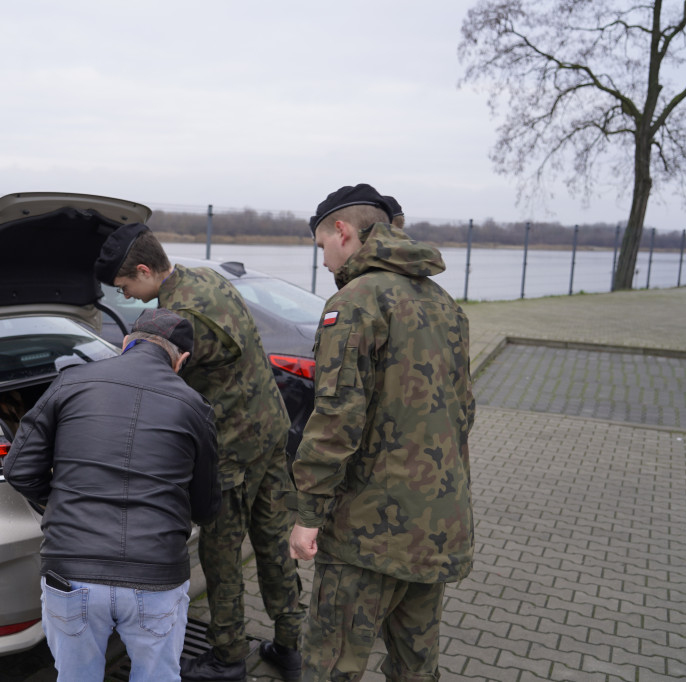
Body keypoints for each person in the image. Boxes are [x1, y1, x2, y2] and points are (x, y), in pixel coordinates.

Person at [95, 225, 305, 682]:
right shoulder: (208, 278)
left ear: (146, 270)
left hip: (232, 450)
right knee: (272, 542)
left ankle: (228, 656)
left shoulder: (180, 317)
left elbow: (159, 385)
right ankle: (291, 644)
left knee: (221, 552)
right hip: (270, 429)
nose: (127, 296)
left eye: (125, 286)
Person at [289, 184, 475, 681]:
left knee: (330, 665)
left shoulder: (354, 301)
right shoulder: (444, 303)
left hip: (367, 534)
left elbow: (336, 418)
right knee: (416, 667)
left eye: (323, 243)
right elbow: (464, 413)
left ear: (343, 231)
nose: (325, 258)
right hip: (437, 523)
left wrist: (307, 514)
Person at [4, 308, 221, 682]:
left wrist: (60, 502)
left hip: (71, 569)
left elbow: (18, 469)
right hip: (156, 573)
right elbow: (206, 508)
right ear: (181, 360)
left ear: (126, 343)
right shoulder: (194, 407)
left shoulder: (69, 382)